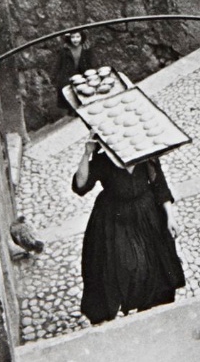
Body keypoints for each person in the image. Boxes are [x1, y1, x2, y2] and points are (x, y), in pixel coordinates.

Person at [72, 138, 184, 324]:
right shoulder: (103, 160)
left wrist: (170, 216)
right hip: (115, 218)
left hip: (146, 215)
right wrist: (86, 153)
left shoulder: (145, 156)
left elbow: (160, 186)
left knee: (154, 265)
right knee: (119, 266)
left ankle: (151, 309)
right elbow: (81, 183)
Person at [52, 29, 96, 111]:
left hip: (82, 73)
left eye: (77, 37)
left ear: (81, 37)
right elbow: (58, 64)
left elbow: (91, 62)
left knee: (84, 91)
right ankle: (72, 110)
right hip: (68, 74)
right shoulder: (65, 50)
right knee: (69, 94)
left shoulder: (85, 48)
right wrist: (54, 76)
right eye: (73, 37)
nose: (75, 39)